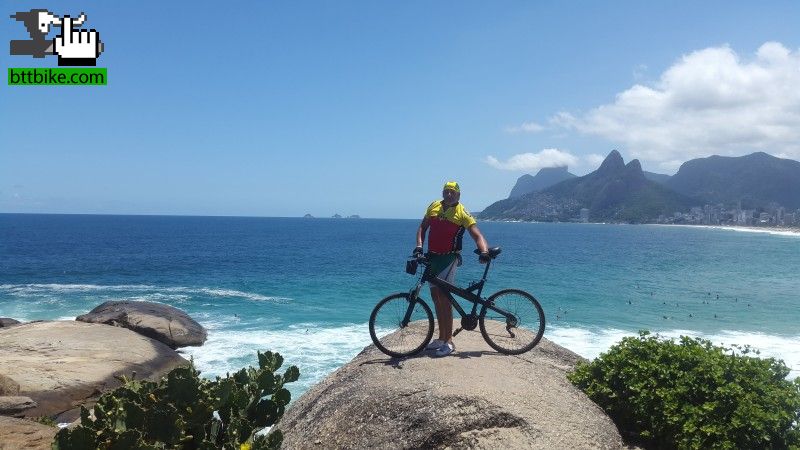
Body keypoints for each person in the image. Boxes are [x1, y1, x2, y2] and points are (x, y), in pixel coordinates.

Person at [414, 181, 489, 357]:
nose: (449, 195)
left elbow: (476, 234)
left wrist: (484, 251)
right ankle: (441, 337)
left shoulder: (462, 212)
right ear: (442, 193)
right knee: (435, 297)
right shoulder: (433, 206)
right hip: (432, 257)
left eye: (452, 192)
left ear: (458, 195)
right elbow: (422, 227)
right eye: (446, 191)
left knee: (444, 297)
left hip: (449, 257)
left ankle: (449, 342)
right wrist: (419, 246)